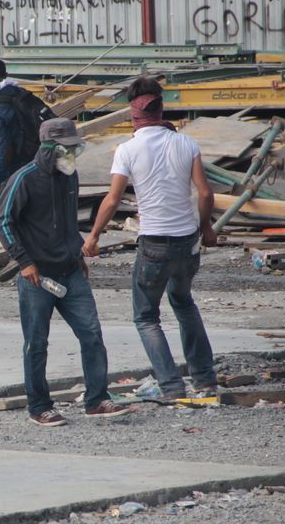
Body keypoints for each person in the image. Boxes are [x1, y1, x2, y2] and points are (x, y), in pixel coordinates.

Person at [83, 76, 218, 402]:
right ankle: (205, 380)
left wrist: (93, 236)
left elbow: (113, 200)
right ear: (161, 110)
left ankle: (172, 387)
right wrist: (207, 228)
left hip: (154, 245)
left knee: (146, 317)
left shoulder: (127, 149)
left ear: (133, 116)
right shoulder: (186, 143)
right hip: (187, 242)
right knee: (184, 303)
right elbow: (204, 192)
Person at [0, 118, 130, 426]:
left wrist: (78, 252)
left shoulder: (69, 176)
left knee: (92, 334)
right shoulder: (24, 179)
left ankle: (97, 400)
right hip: (37, 277)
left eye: (74, 148)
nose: (72, 155)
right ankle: (39, 406)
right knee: (36, 342)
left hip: (70, 270)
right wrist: (24, 261)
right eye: (66, 149)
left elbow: (68, 220)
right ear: (48, 149)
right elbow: (2, 220)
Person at [0, 58, 55, 202]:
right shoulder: (23, 94)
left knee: (5, 213)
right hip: (43, 161)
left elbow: (3, 149)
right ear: (6, 74)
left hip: (19, 170)